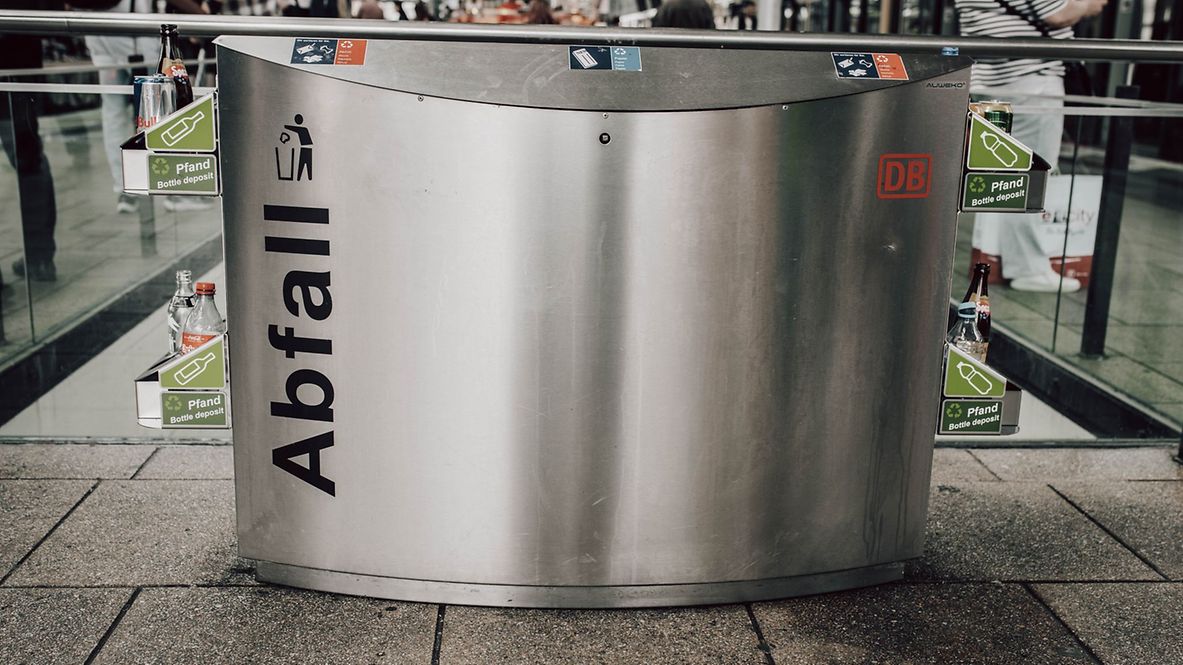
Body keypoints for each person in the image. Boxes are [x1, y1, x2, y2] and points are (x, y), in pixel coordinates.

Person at [956, 0, 1107, 292]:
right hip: (1029, 78)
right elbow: (1057, 13)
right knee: (1030, 176)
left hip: (995, 76)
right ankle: (1028, 268)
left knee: (1002, 172)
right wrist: (1090, 5)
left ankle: (996, 260)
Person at [0, 10, 58, 283]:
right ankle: (39, 258)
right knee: (29, 160)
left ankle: (39, 257)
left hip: (15, 65)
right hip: (17, 65)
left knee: (29, 161)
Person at [651, 0, 715, 28]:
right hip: (698, 50)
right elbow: (711, 31)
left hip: (672, 49)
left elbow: (657, 30)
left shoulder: (667, 6)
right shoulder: (703, 5)